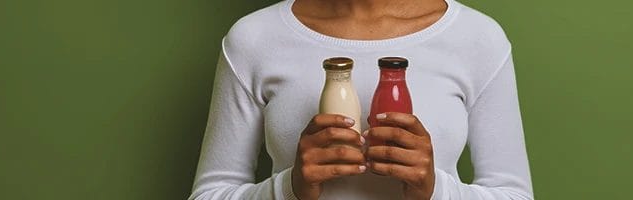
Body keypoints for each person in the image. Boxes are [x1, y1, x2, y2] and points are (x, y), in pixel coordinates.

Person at [188, 0, 533, 199]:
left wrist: (434, 190)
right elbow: (209, 194)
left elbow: (514, 195)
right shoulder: (255, 38)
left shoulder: (476, 38)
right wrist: (289, 188)